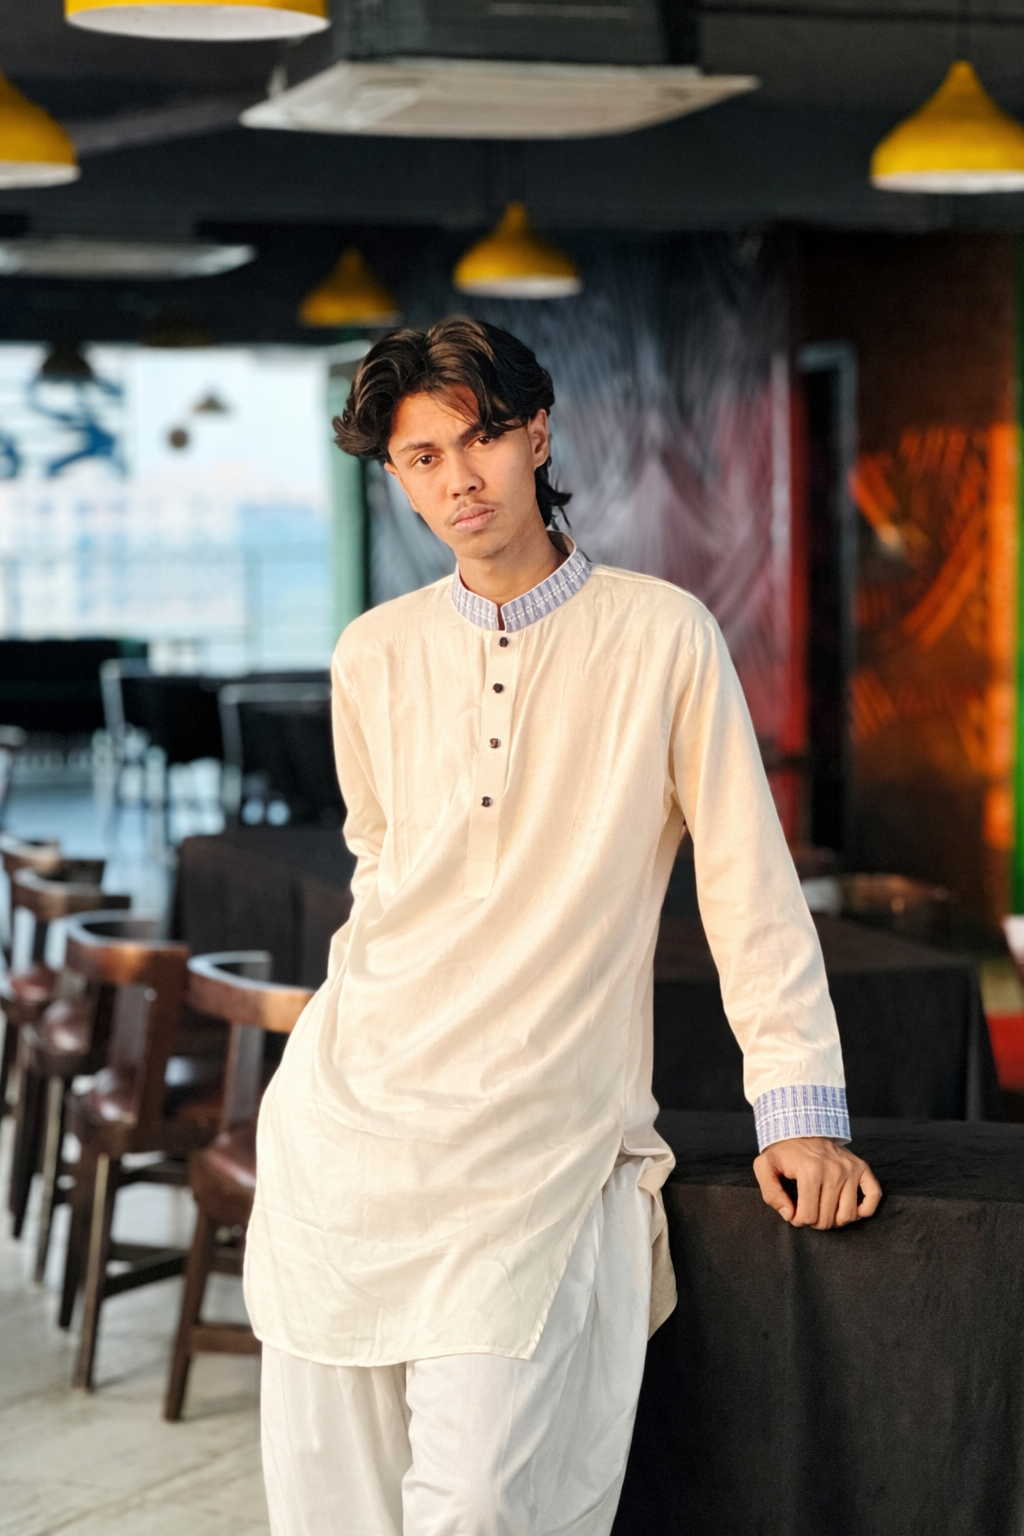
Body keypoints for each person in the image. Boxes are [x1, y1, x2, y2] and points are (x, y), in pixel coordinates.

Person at [244, 317, 882, 1536]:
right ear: (396, 478)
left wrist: (798, 1108)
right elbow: (382, 867)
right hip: (346, 1125)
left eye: (480, 437)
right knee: (333, 1506)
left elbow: (746, 884)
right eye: (421, 456)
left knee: (483, 1502)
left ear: (537, 435)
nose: (458, 478)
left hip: (537, 1136)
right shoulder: (372, 653)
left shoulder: (663, 634)